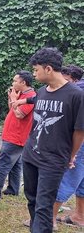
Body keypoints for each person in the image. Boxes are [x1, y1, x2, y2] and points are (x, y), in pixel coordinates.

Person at [21, 47, 84, 232]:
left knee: (44, 205)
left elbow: (79, 131)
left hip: (54, 160)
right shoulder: (41, 92)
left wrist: (70, 156)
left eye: (36, 69)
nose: (34, 73)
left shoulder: (76, 95)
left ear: (48, 69)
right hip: (31, 155)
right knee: (32, 200)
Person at [0, 71, 36, 200]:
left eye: (15, 81)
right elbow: (12, 109)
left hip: (16, 137)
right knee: (16, 164)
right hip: (13, 135)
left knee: (3, 164)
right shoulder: (21, 95)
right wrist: (11, 98)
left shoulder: (30, 96)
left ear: (23, 82)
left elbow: (19, 115)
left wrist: (14, 99)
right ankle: (13, 189)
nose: (13, 83)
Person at [52, 64, 84, 229]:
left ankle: (49, 218)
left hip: (80, 142)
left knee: (67, 177)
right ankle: (80, 215)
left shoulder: (77, 90)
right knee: (81, 179)